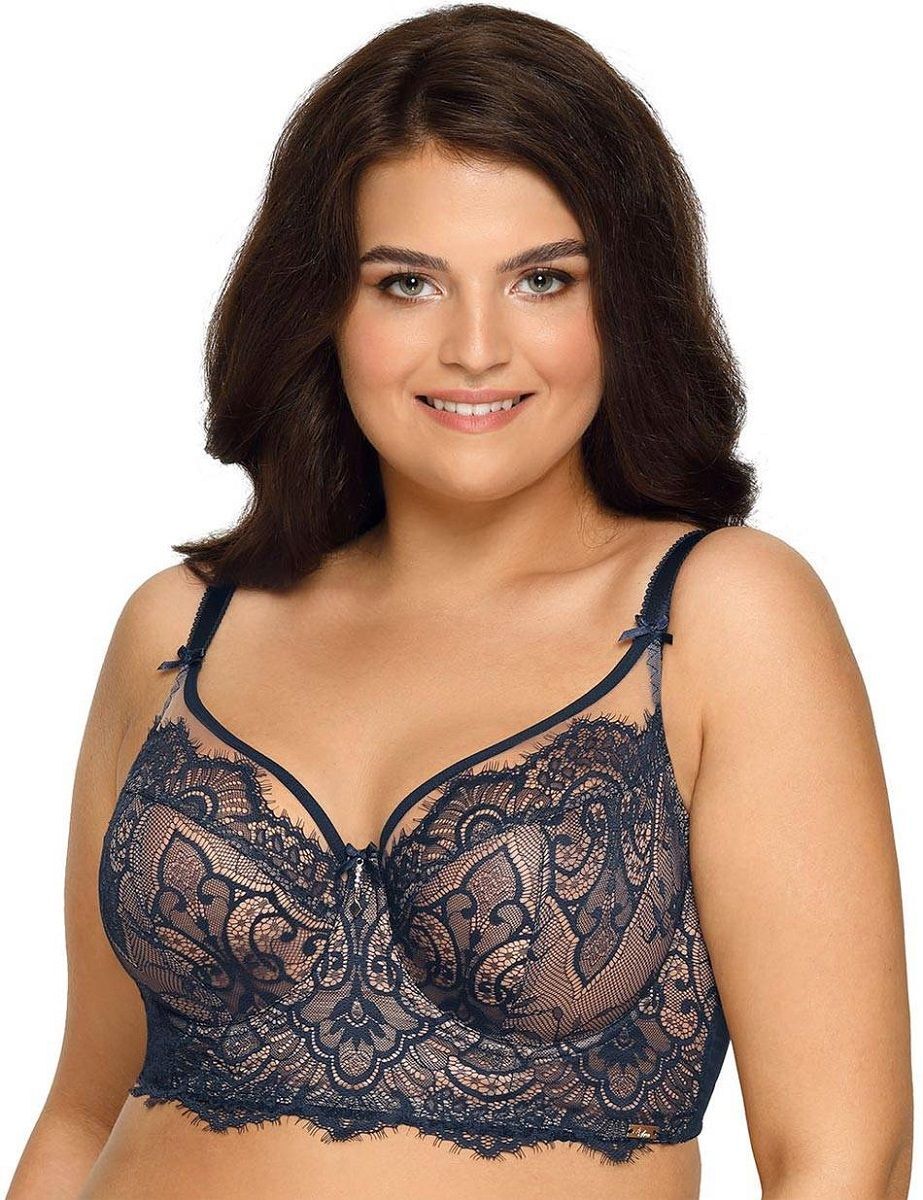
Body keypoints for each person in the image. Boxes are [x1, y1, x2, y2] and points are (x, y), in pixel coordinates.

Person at [8, 6, 912, 1200]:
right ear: (323, 306)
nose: (475, 347)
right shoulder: (180, 628)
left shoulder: (718, 616)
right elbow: (82, 1112)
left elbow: (841, 1159)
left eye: (541, 279)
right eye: (407, 283)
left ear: (625, 301)